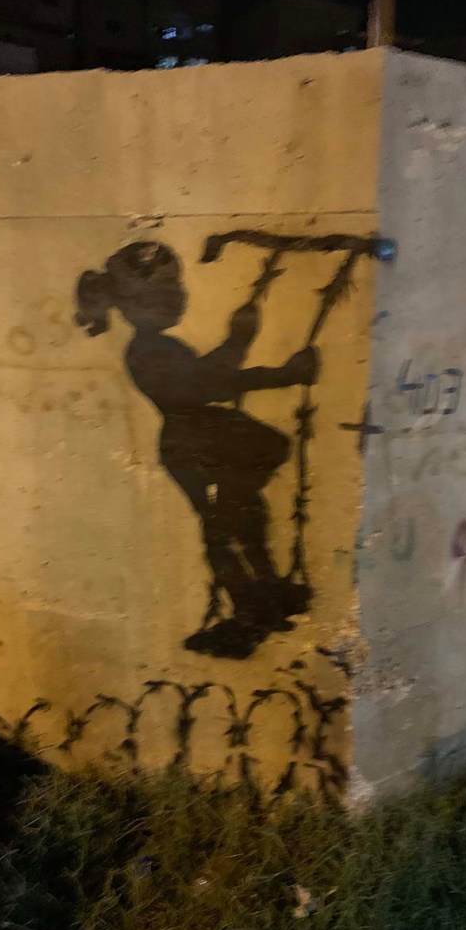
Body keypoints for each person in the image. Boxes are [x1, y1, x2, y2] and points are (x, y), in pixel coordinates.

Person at [75, 240, 318, 658]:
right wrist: (248, 350)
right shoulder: (148, 351)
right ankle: (251, 604)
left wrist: (244, 348)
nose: (176, 300)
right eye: (161, 296)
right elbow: (208, 383)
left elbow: (208, 379)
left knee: (240, 513)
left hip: (199, 435)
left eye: (175, 291)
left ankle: (264, 591)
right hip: (193, 441)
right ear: (130, 307)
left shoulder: (159, 348)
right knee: (226, 521)